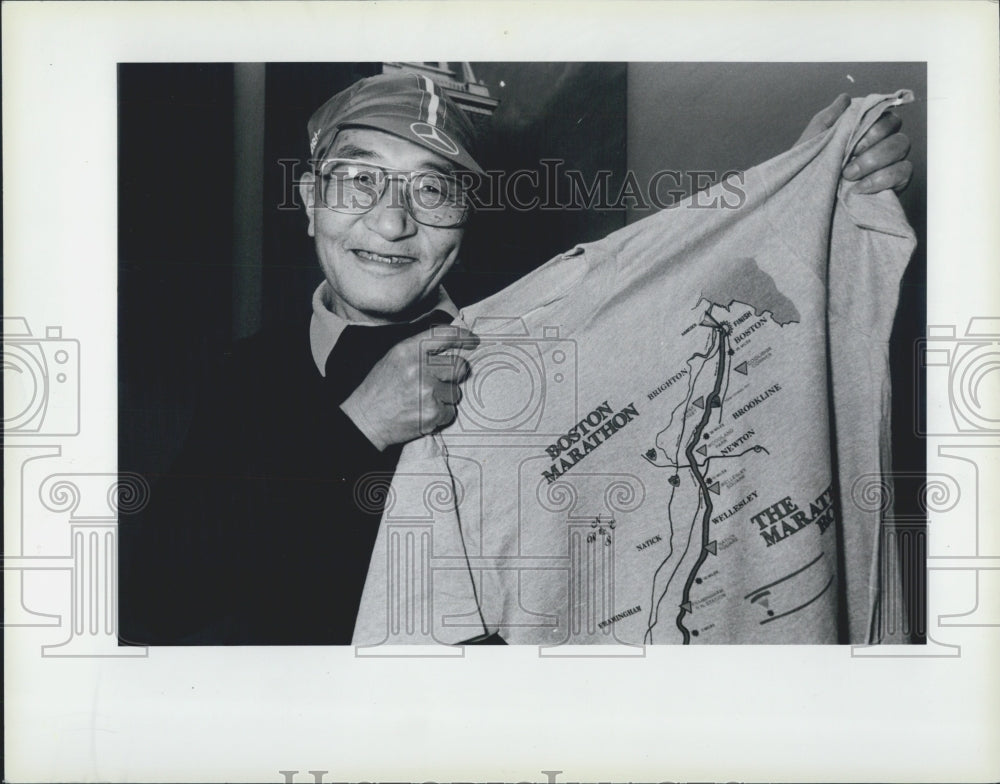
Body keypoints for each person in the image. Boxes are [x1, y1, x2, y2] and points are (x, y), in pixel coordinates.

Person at [119, 72, 913, 646]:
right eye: (357, 180)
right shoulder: (247, 374)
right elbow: (161, 591)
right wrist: (357, 426)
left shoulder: (549, 359)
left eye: (434, 191)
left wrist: (822, 188)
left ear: (466, 221)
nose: (391, 222)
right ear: (309, 205)